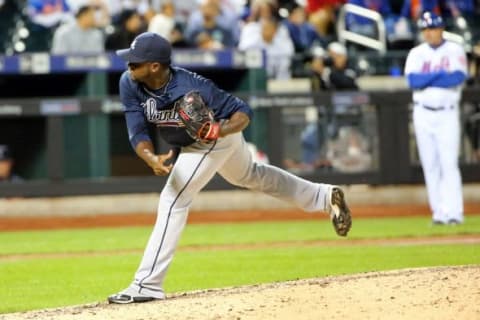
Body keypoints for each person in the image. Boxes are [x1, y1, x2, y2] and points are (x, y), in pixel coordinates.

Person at [107, 31, 352, 304]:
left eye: (134, 62)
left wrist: (219, 129)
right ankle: (323, 195)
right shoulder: (129, 82)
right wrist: (148, 156)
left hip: (211, 141)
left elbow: (243, 112)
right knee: (252, 175)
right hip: (193, 143)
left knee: (173, 198)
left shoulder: (191, 85)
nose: (128, 66)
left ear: (154, 66)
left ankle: (147, 285)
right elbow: (136, 127)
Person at [404, 11, 468, 225]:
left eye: (433, 28)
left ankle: (454, 213)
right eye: (426, 29)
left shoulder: (454, 49)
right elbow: (413, 81)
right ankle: (439, 213)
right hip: (423, 112)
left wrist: (428, 80)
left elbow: (457, 77)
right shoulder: (416, 53)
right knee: (430, 165)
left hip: (447, 112)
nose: (429, 33)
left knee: (449, 163)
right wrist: (440, 77)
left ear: (441, 28)